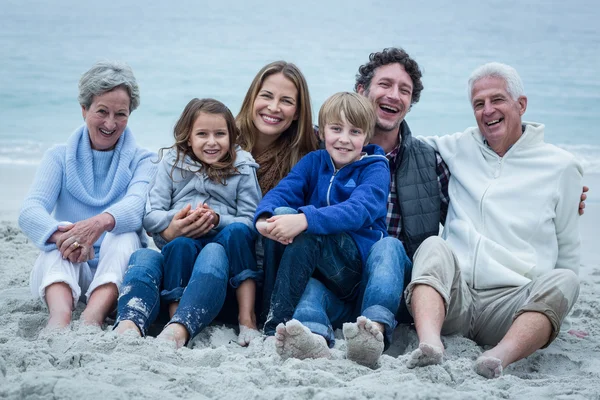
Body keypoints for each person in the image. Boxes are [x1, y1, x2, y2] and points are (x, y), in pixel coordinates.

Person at [404, 62, 582, 378]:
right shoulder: (459, 147)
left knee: (566, 278)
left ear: (521, 104)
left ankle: (498, 357)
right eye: (478, 104)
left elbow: (567, 249)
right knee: (433, 246)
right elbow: (398, 144)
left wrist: (559, 316)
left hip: (511, 307)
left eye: (497, 100)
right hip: (455, 300)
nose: (488, 110)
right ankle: (431, 345)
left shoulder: (561, 167)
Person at [19, 61, 156, 330]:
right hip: (67, 266)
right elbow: (30, 210)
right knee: (56, 241)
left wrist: (97, 225)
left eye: (121, 114)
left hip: (115, 274)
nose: (110, 123)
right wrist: (65, 238)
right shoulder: (58, 156)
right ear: (84, 110)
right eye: (101, 111)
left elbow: (137, 206)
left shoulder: (146, 160)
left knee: (125, 234)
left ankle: (93, 316)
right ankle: (59, 318)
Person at [116, 98, 262, 348]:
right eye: (202, 134)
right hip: (184, 245)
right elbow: (150, 215)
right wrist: (176, 223)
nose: (212, 142)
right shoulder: (172, 164)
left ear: (232, 136)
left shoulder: (243, 167)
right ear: (188, 137)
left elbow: (252, 220)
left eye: (220, 134)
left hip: (224, 255)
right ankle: (171, 320)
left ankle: (247, 318)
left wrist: (217, 219)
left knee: (236, 231)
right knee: (176, 246)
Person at [255, 92, 390, 360]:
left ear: (367, 136)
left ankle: (273, 324)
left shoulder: (375, 168)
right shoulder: (314, 162)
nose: (343, 139)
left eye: (354, 131)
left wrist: (305, 219)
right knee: (279, 215)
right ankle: (310, 334)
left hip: (352, 267)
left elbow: (358, 210)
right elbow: (282, 192)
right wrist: (263, 219)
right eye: (336, 129)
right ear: (322, 131)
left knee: (307, 232)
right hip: (317, 272)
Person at [235, 60, 319, 321]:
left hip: (276, 270)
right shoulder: (222, 140)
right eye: (266, 96)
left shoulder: (311, 154)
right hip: (233, 261)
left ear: (297, 112)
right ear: (252, 99)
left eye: (286, 101)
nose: (273, 108)